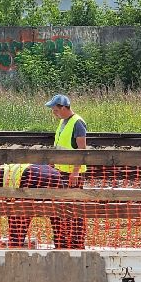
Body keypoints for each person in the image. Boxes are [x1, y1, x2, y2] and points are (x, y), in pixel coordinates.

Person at [45, 93, 88, 249]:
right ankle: (63, 240)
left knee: (75, 209)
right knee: (62, 208)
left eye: (55, 110)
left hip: (72, 174)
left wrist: (75, 172)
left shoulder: (78, 123)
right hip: (60, 171)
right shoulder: (63, 122)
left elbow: (82, 150)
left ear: (63, 107)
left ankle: (77, 242)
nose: (54, 113)